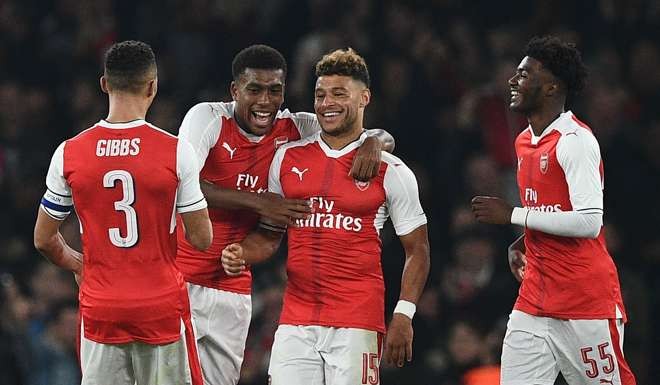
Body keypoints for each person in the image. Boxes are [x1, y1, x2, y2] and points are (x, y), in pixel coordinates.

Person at [175, 44, 394, 385]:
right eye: (254, 90)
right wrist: (259, 202)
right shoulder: (207, 118)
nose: (265, 101)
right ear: (235, 91)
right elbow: (184, 185)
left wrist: (375, 142)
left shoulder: (295, 129)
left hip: (233, 286)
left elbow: (360, 131)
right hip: (181, 277)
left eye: (274, 91)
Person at [221, 48, 430, 385]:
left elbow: (418, 249)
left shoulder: (391, 170)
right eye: (320, 94)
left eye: (338, 94)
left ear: (364, 98)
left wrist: (404, 314)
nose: (326, 102)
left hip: (356, 321)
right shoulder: (286, 158)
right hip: (295, 319)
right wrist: (242, 253)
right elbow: (271, 234)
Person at [33, 40, 212, 385]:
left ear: (104, 84)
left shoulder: (70, 152)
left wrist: (78, 264)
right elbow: (202, 239)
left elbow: (43, 239)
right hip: (160, 307)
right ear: (152, 86)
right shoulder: (176, 151)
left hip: (101, 308)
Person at [471, 36, 637, 385]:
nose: (513, 81)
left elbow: (590, 221)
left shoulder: (576, 141)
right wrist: (525, 238)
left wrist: (514, 216)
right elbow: (548, 209)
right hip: (535, 300)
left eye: (524, 74)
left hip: (585, 303)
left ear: (551, 87)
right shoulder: (524, 141)